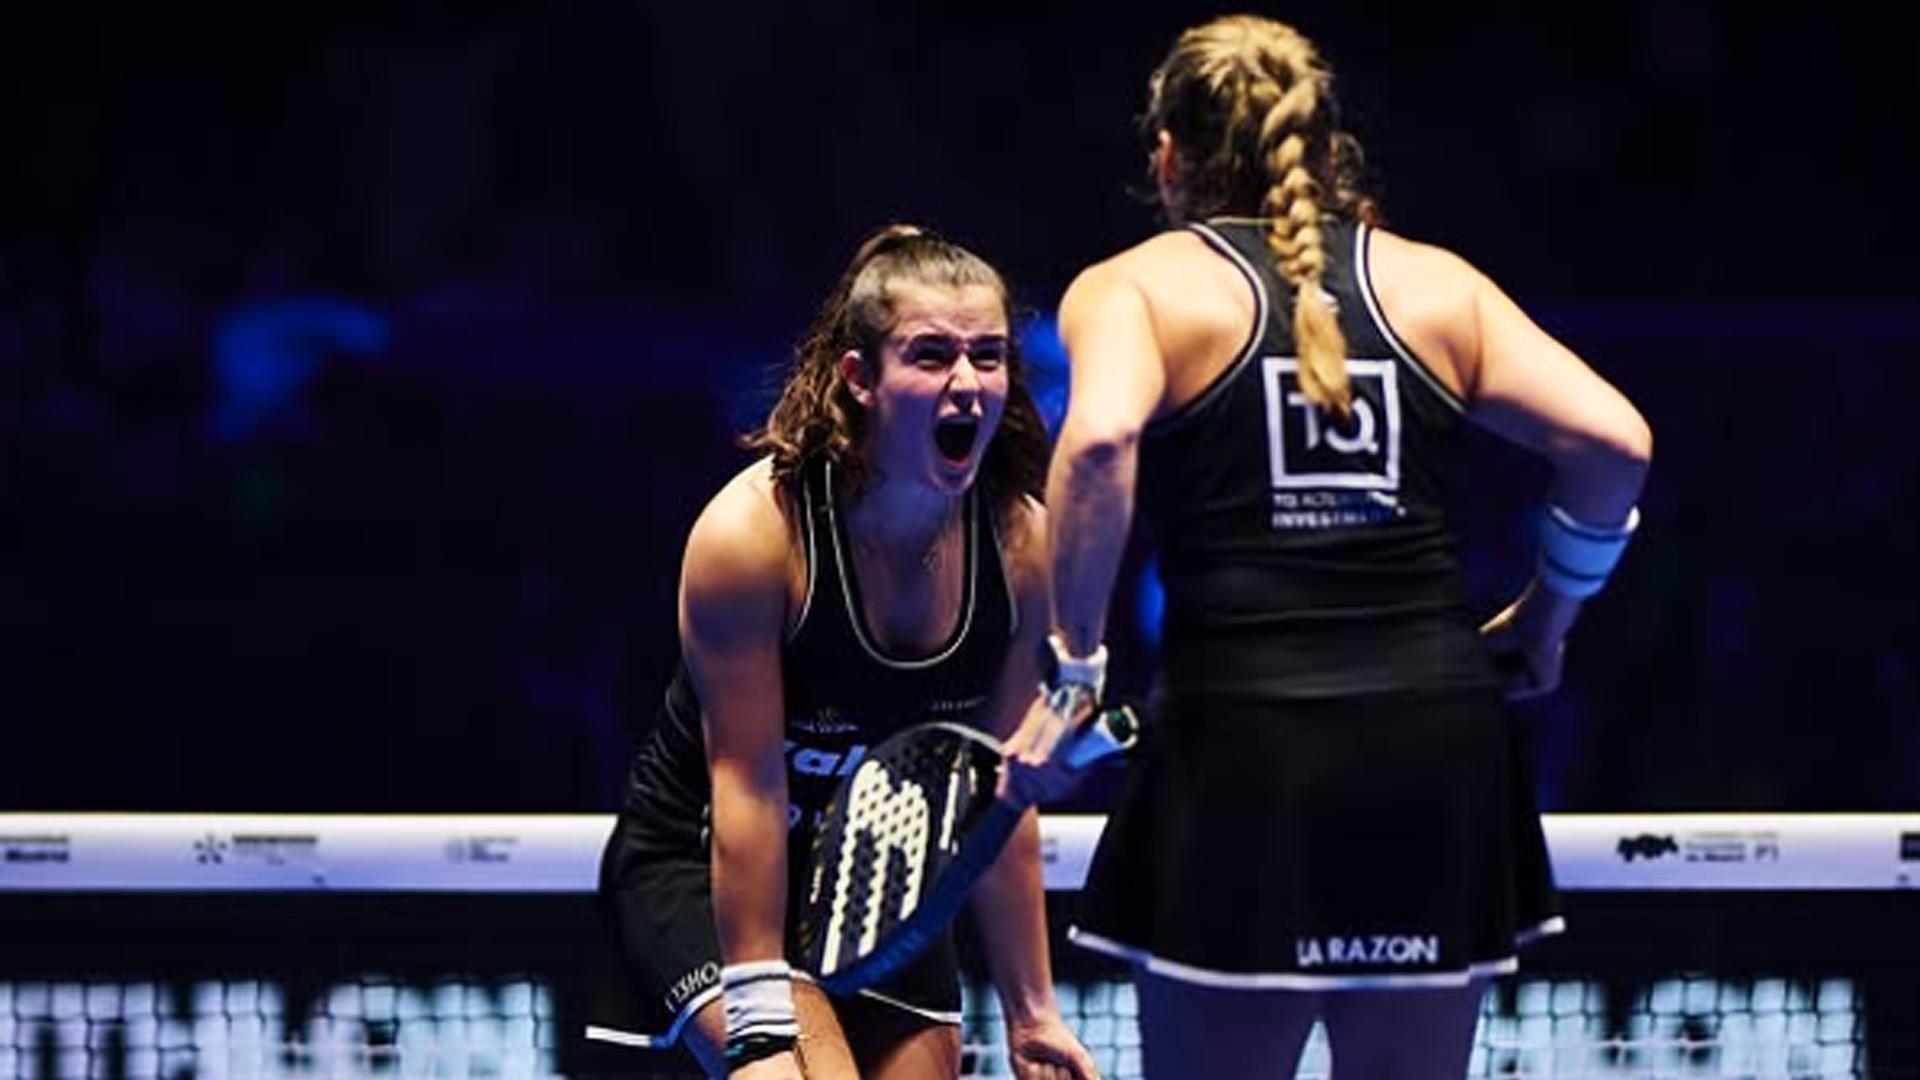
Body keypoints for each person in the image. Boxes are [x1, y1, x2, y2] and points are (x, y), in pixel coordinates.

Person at [1010, 15, 1653, 1080]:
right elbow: (1615, 444)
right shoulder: (1440, 288)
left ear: (1167, 156)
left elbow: (1101, 441)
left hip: (1243, 752)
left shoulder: (1137, 287)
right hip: (1435, 749)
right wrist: (1549, 614)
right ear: (1320, 144)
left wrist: (1074, 672)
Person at [587, 225, 1099, 1080]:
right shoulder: (754, 537)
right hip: (710, 867)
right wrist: (757, 1019)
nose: (968, 384)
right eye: (931, 356)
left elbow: (1001, 792)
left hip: (882, 881)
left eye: (988, 356)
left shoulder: (1021, 545)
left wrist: (1032, 1011)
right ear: (861, 379)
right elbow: (748, 786)